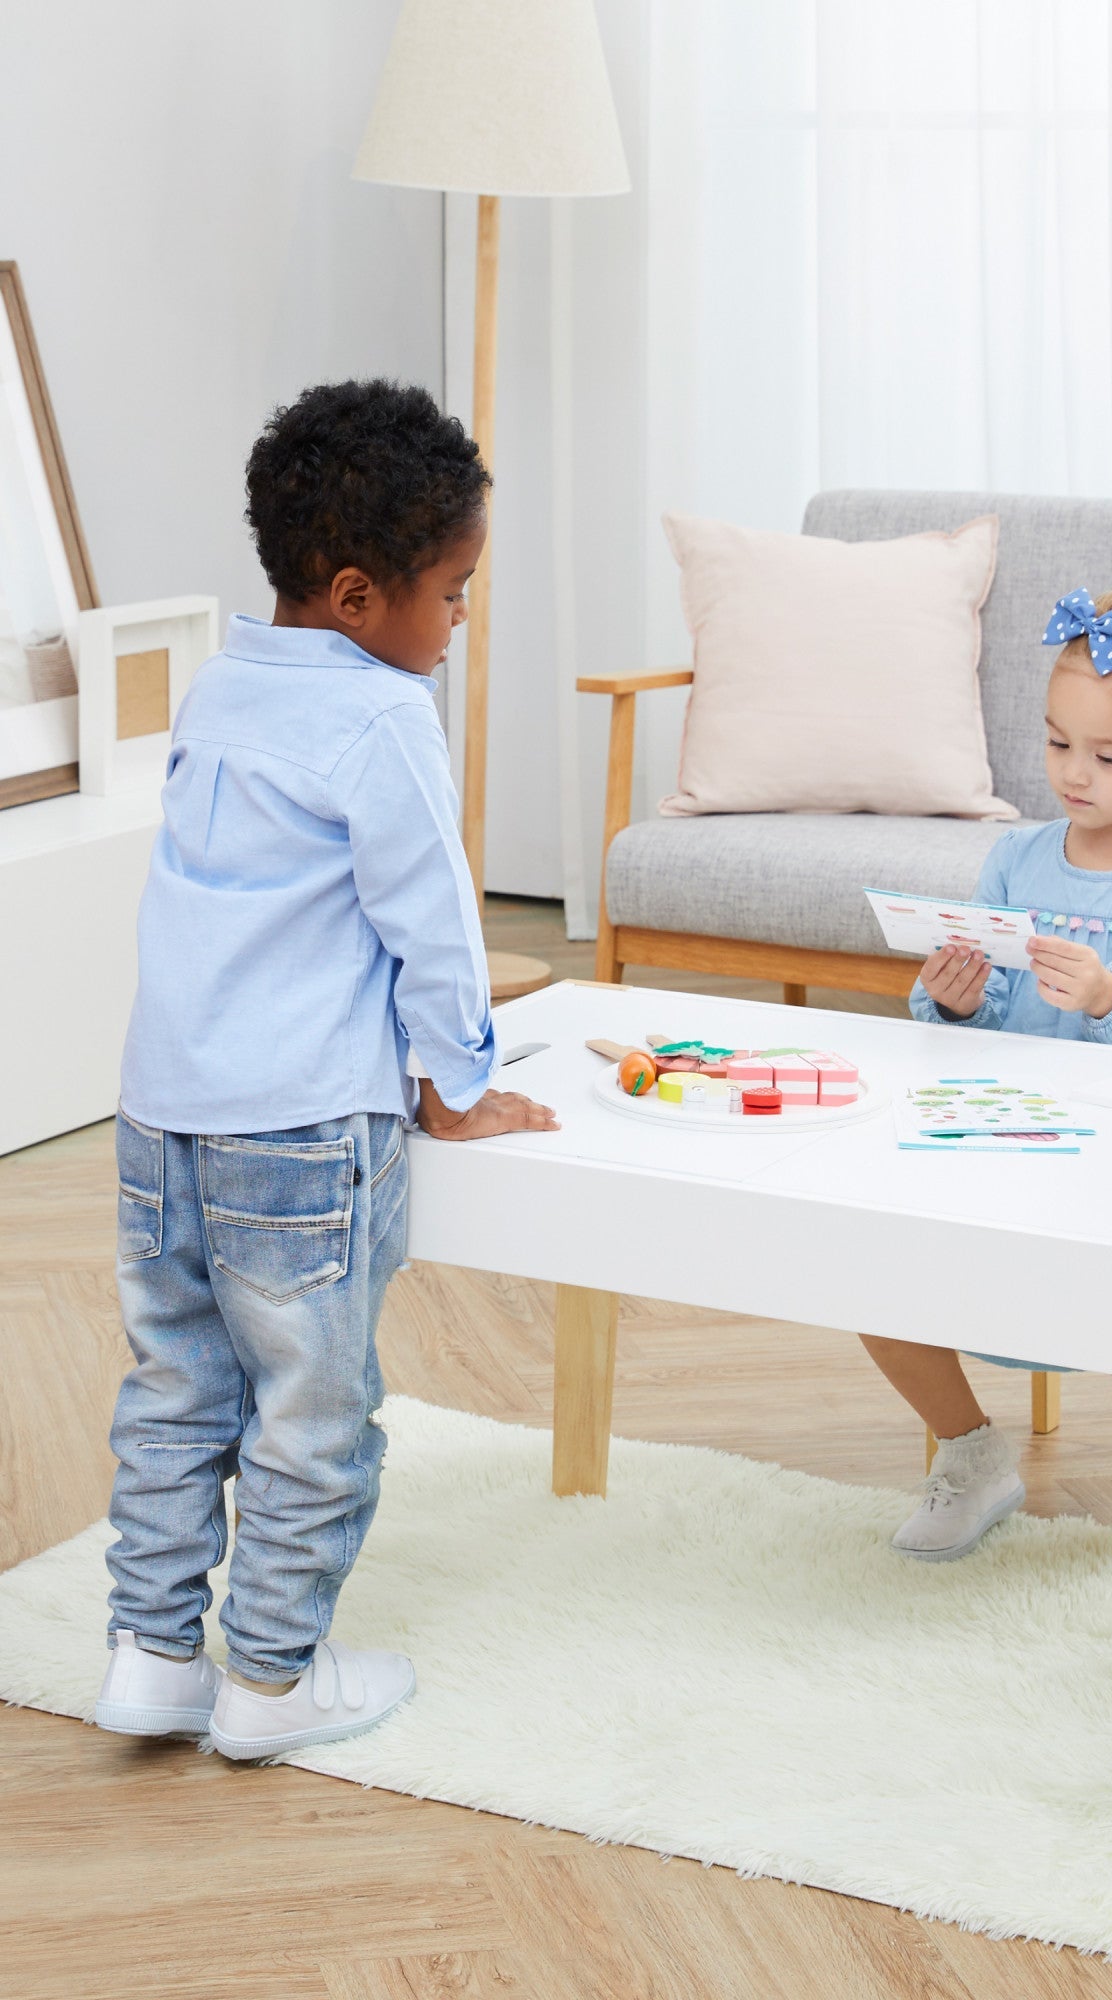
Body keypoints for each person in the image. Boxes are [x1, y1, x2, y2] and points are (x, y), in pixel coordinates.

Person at [93, 380, 557, 1761]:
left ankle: (154, 1653)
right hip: (298, 1132)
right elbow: (431, 919)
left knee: (176, 1389)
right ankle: (274, 1682)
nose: (462, 624)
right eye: (456, 594)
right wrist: (460, 1081)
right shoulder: (381, 717)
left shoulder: (223, 687)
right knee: (313, 1413)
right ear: (361, 596)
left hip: (161, 1113)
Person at [867, 549, 1112, 1561]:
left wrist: (1110, 992)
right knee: (864, 1266)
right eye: (1055, 744)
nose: (1071, 774)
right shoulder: (1016, 856)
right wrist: (949, 1002)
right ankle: (969, 1450)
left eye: (1105, 755)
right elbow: (980, 1004)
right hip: (1006, 1147)